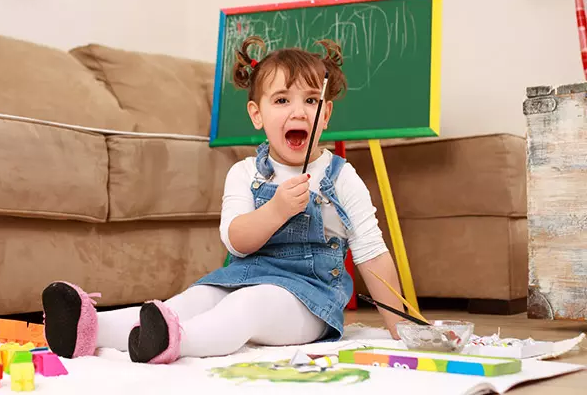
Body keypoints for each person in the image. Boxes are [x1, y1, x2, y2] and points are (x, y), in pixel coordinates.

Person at [41, 35, 406, 365]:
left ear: (325, 114)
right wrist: (276, 210)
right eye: (282, 100)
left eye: (311, 100)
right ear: (257, 115)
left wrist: (402, 330)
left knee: (248, 306)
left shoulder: (340, 177)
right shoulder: (245, 174)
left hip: (309, 301)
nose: (298, 111)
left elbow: (372, 254)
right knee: (191, 301)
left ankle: (176, 342)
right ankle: (88, 327)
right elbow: (236, 240)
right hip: (242, 275)